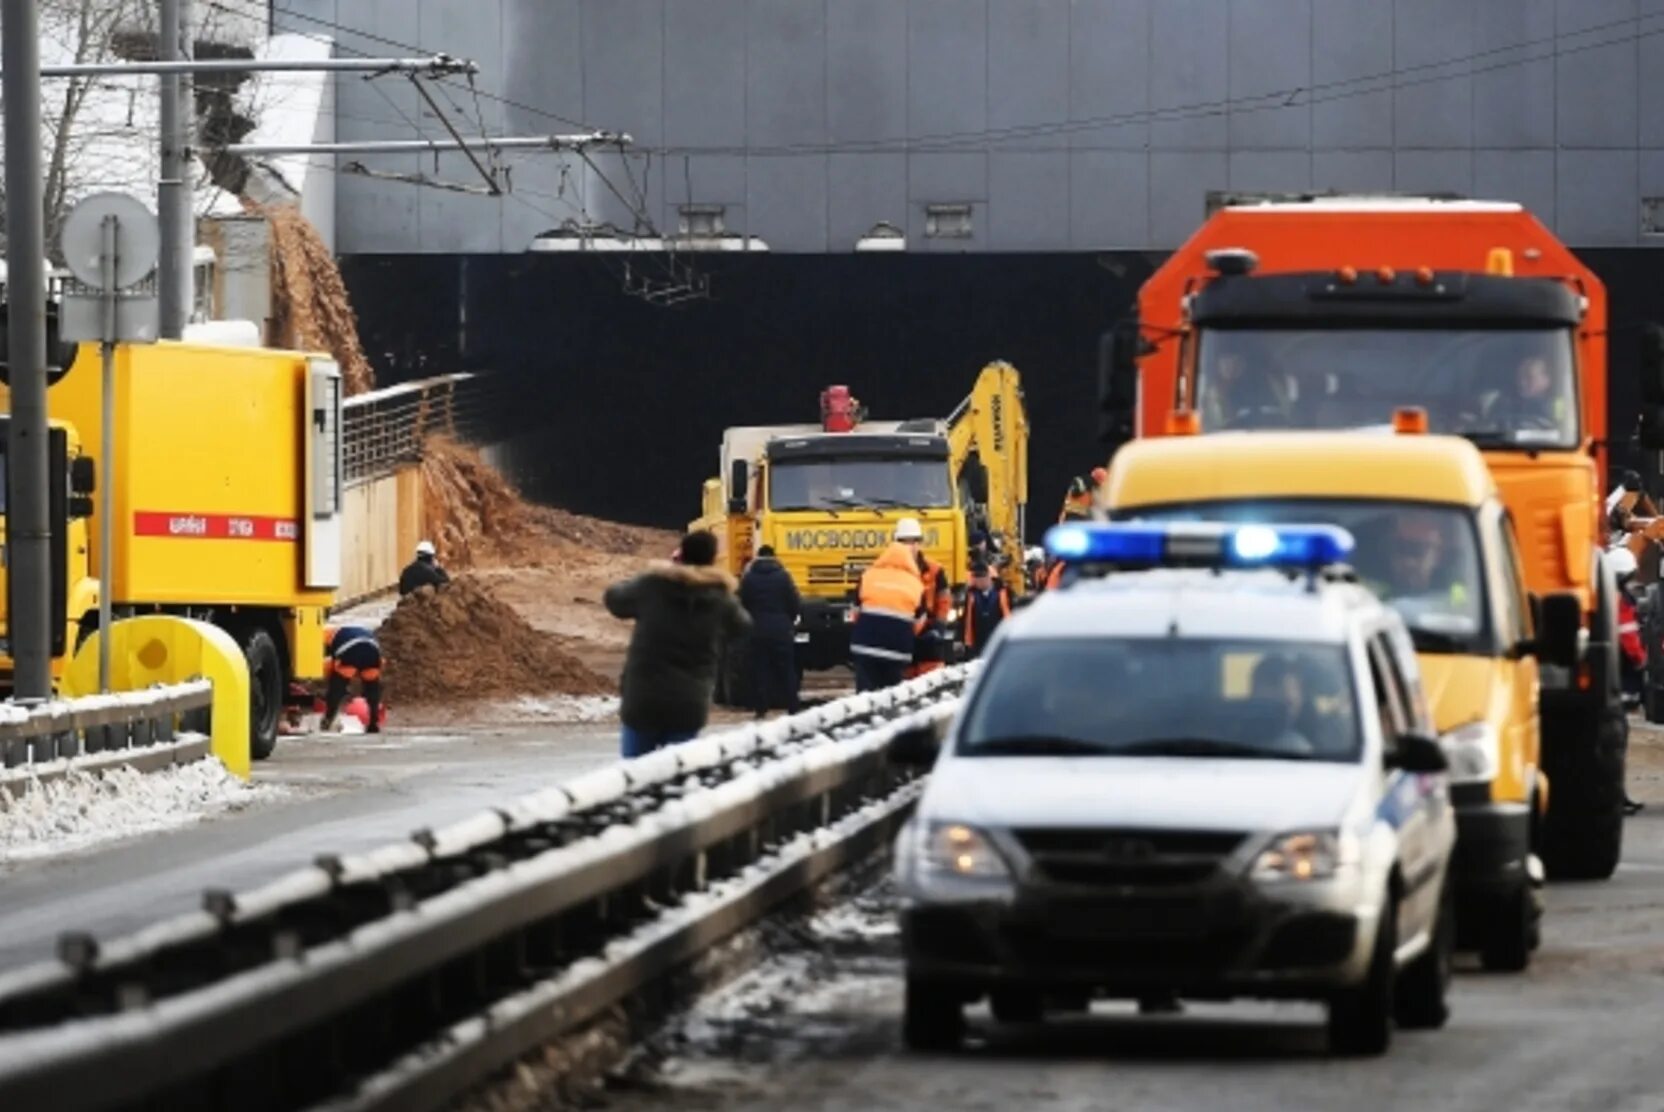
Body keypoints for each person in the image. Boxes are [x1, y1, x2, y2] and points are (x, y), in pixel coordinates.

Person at [604, 530, 751, 758]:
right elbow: (742, 626)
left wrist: (651, 574)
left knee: (635, 775)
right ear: (712, 559)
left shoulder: (652, 586)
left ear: (681, 554)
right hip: (689, 703)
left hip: (643, 699)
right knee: (678, 776)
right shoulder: (720, 598)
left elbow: (614, 599)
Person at [850, 519, 927, 692]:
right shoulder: (915, 584)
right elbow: (919, 623)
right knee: (891, 700)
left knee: (864, 699)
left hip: (865, 647)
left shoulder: (868, 576)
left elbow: (855, 614)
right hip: (897, 650)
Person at [738, 544, 801, 718]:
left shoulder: (749, 578)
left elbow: (742, 603)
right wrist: (789, 620)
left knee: (760, 669)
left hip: (757, 630)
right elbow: (794, 602)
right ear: (774, 557)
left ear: (757, 557)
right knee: (787, 668)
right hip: (781, 629)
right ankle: (793, 706)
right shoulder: (783, 577)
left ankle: (761, 708)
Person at [320, 625, 384, 734]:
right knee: (372, 689)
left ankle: (328, 719)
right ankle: (374, 722)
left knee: (337, 688)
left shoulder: (324, 636)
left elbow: (325, 661)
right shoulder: (345, 632)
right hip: (373, 651)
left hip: (351, 650)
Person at [906, 542, 954, 679]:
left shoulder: (935, 569)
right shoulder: (897, 571)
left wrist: (939, 625)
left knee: (931, 678)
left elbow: (944, 598)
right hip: (906, 629)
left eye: (912, 541)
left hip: (929, 630)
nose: (909, 547)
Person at [962, 561, 1011, 658]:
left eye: (979, 579)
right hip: (978, 641)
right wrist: (962, 640)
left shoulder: (1004, 592)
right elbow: (965, 618)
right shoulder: (971, 594)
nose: (977, 582)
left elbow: (1011, 613)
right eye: (975, 579)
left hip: (999, 638)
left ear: (988, 577)